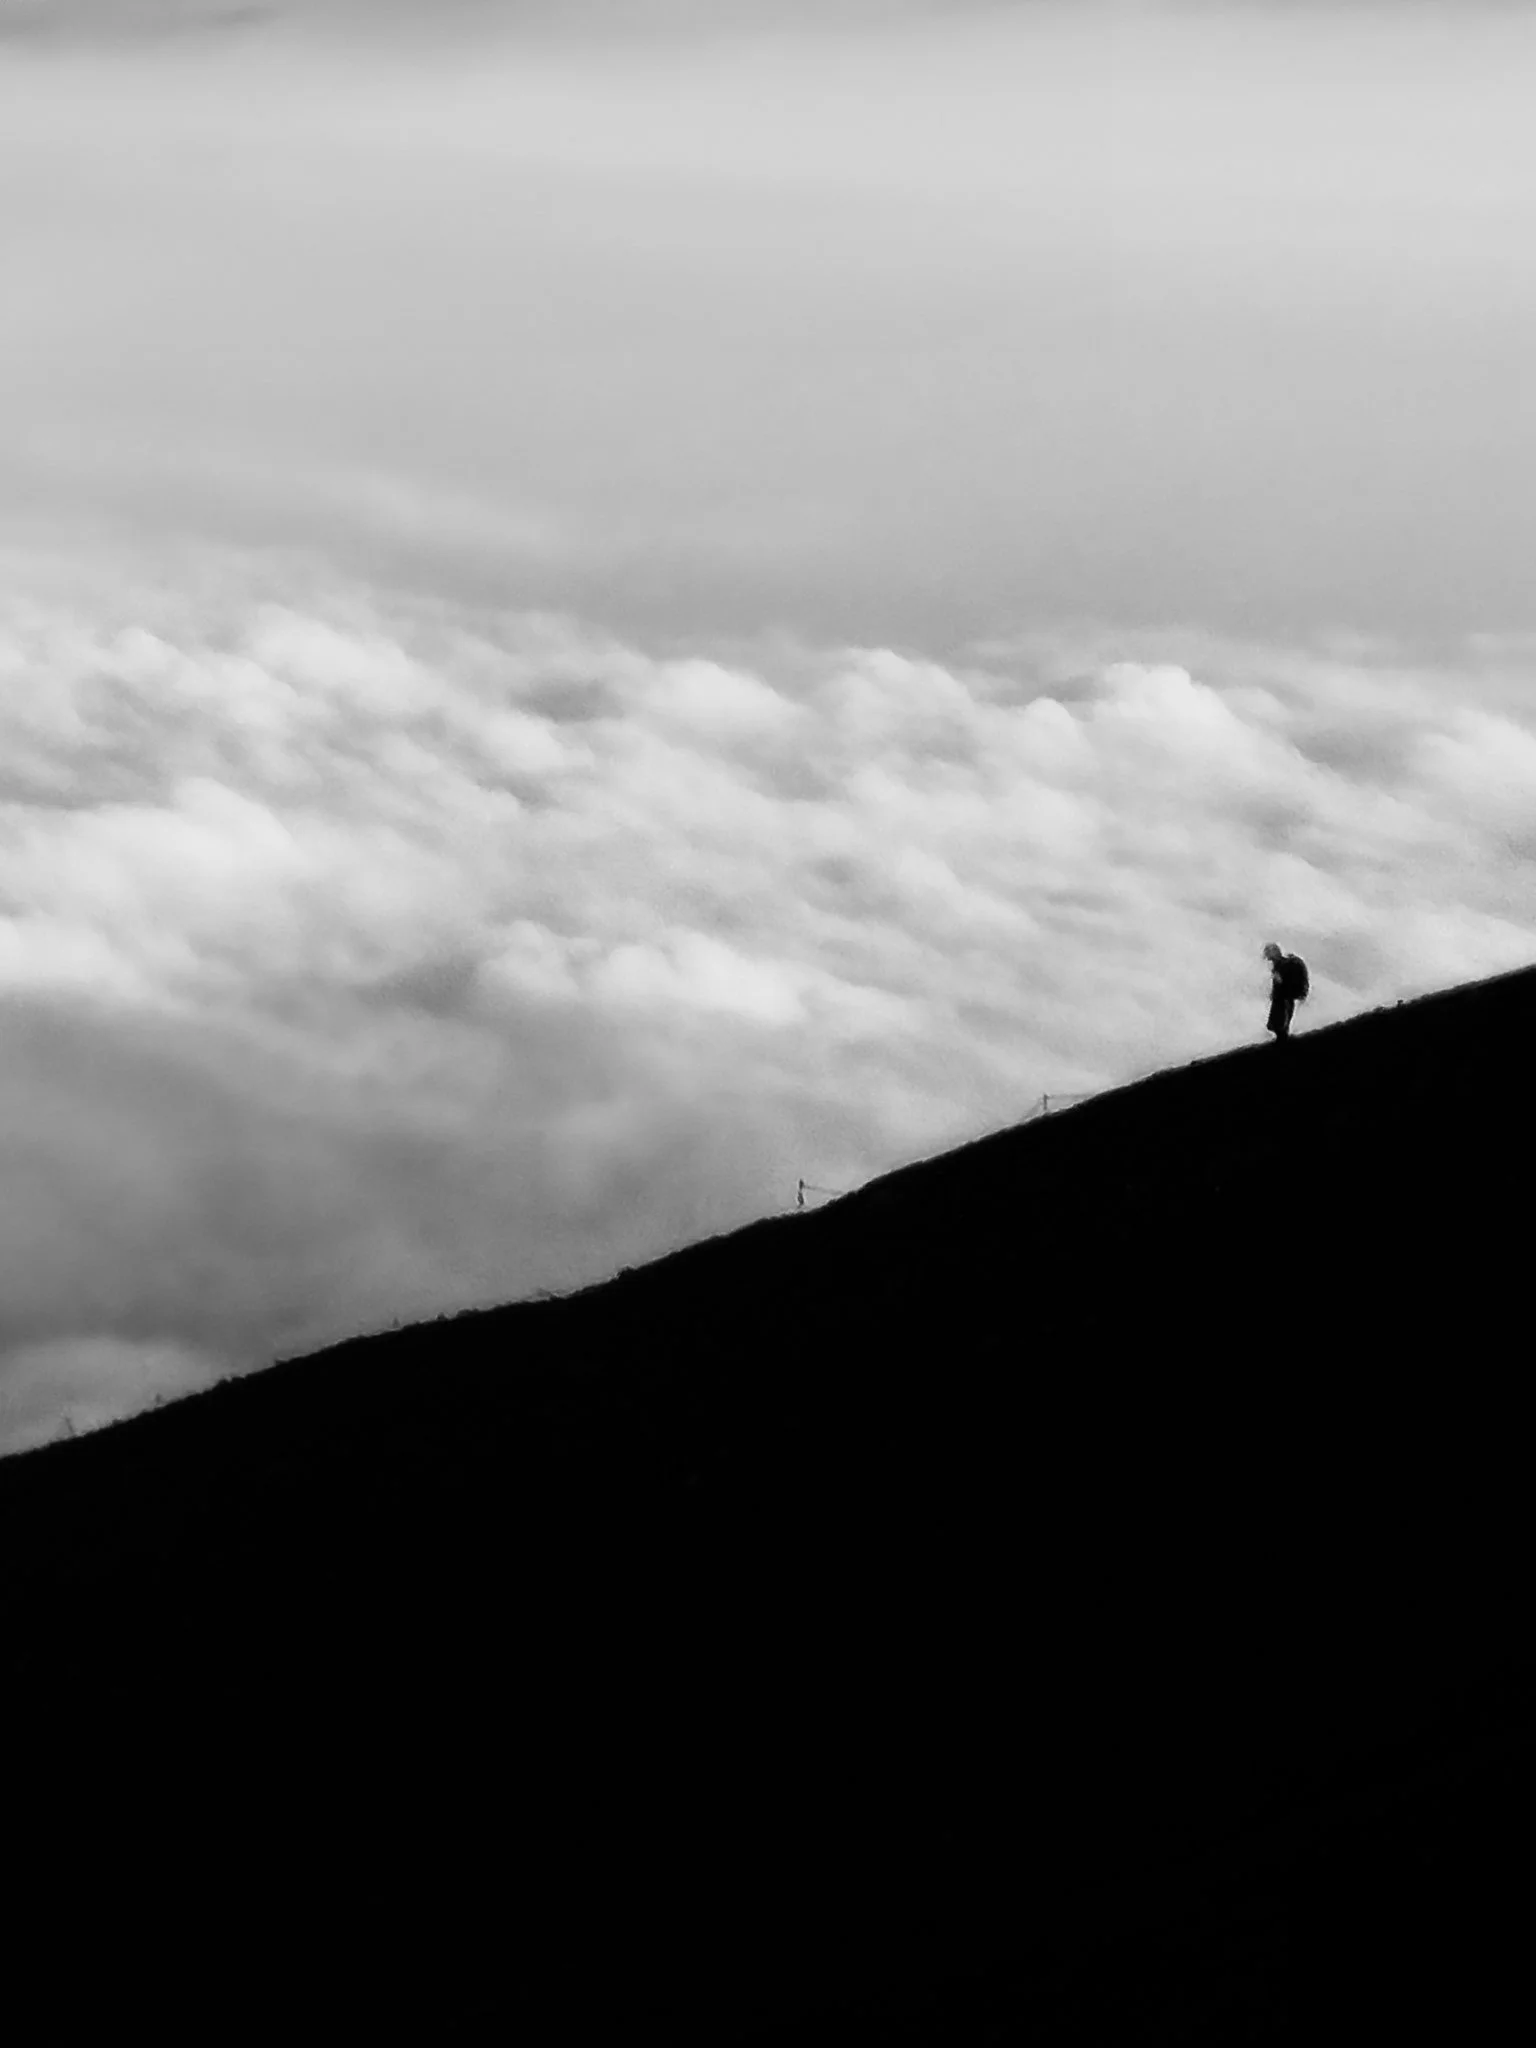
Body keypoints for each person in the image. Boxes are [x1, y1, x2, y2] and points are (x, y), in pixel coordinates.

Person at [1262, 942, 1309, 1041]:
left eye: (1269, 956)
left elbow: (1282, 984)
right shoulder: (1279, 966)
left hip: (1284, 999)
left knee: (1281, 1026)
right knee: (1278, 1025)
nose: (1268, 960)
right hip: (1281, 999)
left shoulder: (1282, 967)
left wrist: (1277, 991)